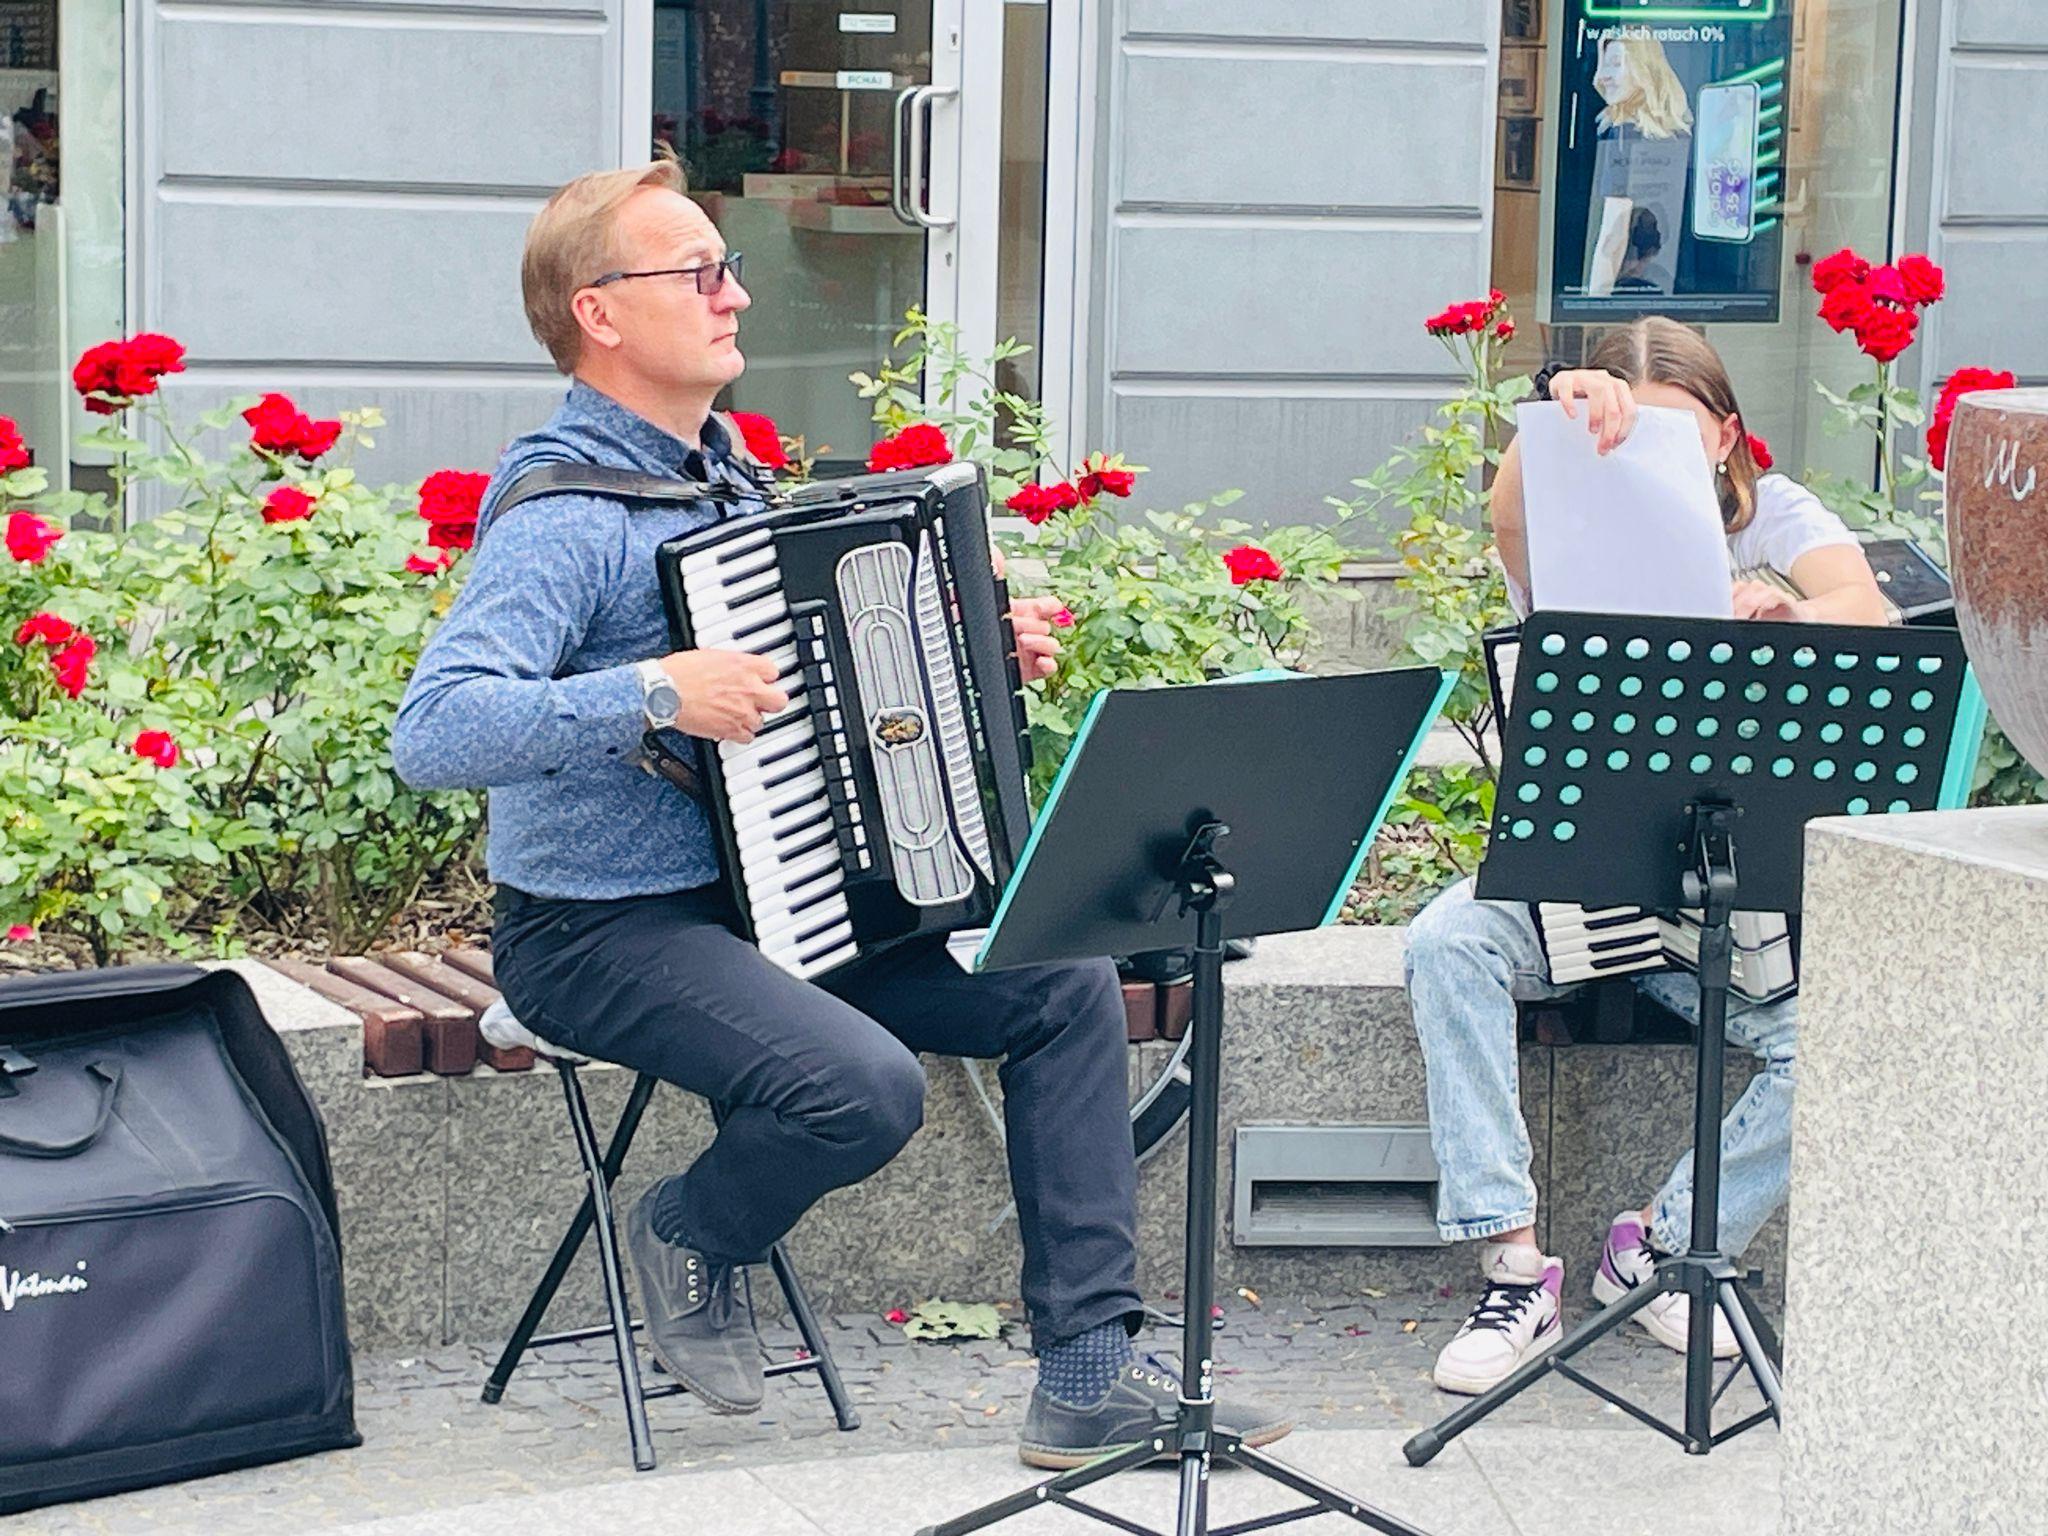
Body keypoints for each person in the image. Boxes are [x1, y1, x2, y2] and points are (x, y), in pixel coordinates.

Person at [390, 156, 1289, 1467]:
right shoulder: (563, 518)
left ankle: (1087, 1372)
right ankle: (687, 1230)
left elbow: (810, 690)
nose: (735, 295)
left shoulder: (723, 481)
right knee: (858, 1086)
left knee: (1061, 983)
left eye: (728, 267)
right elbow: (436, 731)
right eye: (698, 272)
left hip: (771, 909)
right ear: (599, 312)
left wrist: (972, 652)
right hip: (597, 932)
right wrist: (655, 690)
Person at [1409, 316, 1887, 1397]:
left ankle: (1666, 1246)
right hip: (1581, 890)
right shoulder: (1573, 515)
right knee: (1446, 942)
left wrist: (1789, 608)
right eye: (1631, 434)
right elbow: (1506, 518)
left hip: (1723, 905)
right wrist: (1554, 412)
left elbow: (1862, 602)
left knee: (1834, 1044)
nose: (1647, 457)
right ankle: (1513, 1267)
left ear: (1724, 437)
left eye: (1673, 435)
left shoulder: (1772, 516)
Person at [1584, 36, 1693, 299]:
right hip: (1669, 282)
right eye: (1603, 64)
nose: (1602, 76)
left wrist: (1593, 302)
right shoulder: (1677, 134)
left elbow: (1612, 237)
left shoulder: (1622, 134)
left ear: (1642, 69)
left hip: (1627, 286)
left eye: (1615, 64)